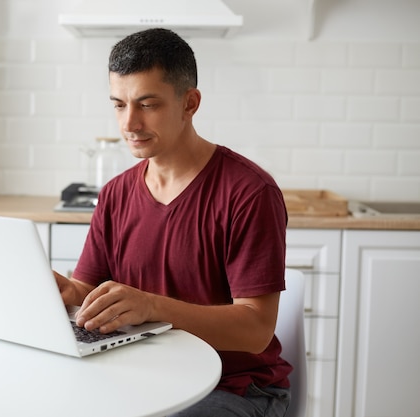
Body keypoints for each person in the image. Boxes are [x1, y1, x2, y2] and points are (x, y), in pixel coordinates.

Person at [54, 28, 292, 417]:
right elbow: (87, 288)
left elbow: (255, 329)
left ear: (190, 103)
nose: (129, 123)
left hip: (235, 387)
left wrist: (150, 305)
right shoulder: (115, 193)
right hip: (142, 375)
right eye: (119, 104)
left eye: (147, 104)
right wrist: (64, 291)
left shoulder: (249, 192)